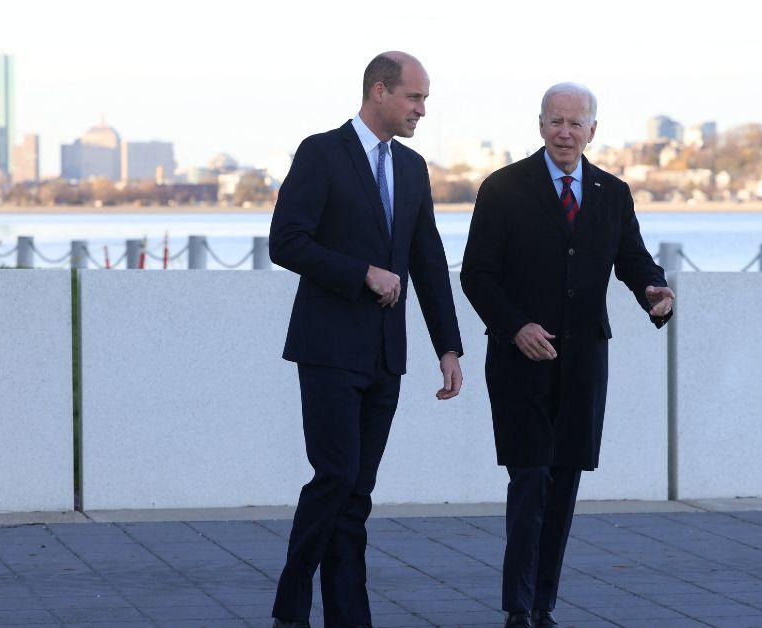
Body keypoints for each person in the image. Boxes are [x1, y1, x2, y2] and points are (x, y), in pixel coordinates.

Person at [460, 82, 674, 628]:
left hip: (584, 361)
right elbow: (476, 275)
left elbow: (634, 260)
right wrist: (514, 328)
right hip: (519, 362)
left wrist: (653, 291)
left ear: (592, 131)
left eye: (575, 123)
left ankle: (542, 606)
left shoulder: (611, 191)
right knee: (530, 478)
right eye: (555, 120)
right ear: (539, 125)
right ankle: (516, 607)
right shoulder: (504, 188)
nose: (564, 131)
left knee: (565, 483)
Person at [269, 51, 464, 628]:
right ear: (380, 91)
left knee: (358, 492)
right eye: (414, 98)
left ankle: (349, 617)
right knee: (334, 477)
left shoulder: (412, 167)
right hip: (328, 349)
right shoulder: (321, 152)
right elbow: (287, 242)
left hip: (385, 355)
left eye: (424, 100)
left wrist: (448, 346)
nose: (422, 110)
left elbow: (428, 261)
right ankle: (292, 598)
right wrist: (362, 274)